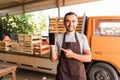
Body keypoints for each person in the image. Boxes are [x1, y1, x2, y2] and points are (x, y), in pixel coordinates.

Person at [49, 12, 91, 80]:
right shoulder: (58, 38)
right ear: (64, 23)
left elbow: (89, 58)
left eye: (73, 21)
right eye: (68, 21)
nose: (71, 24)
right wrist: (52, 47)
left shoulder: (82, 37)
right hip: (62, 75)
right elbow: (53, 59)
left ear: (77, 23)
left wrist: (73, 55)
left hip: (78, 76)